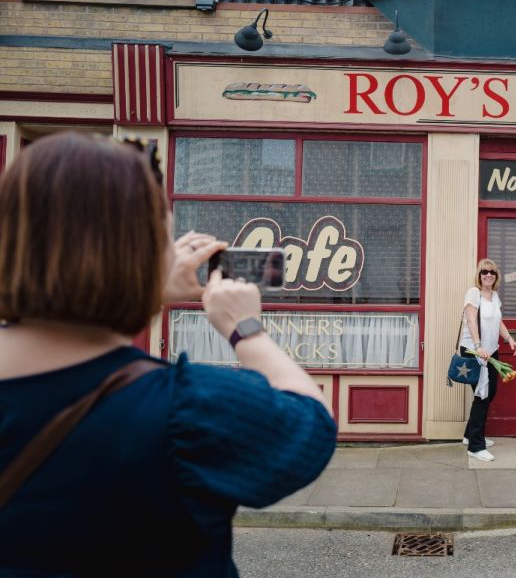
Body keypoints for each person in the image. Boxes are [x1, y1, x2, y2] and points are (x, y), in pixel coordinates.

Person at [0, 132, 337, 577]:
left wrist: (144, 289)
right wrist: (246, 331)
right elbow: (310, 425)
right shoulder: (183, 411)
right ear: (138, 252)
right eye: (165, 238)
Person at [459, 258, 516, 462]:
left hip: (491, 350)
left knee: (489, 391)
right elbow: (470, 319)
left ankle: (470, 435)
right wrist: (478, 346)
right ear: (479, 274)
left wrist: (509, 338)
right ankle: (476, 447)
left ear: (496, 276)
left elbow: (498, 321)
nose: (488, 275)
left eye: (492, 272)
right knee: (482, 395)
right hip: (475, 351)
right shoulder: (473, 293)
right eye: (484, 271)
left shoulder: (494, 296)